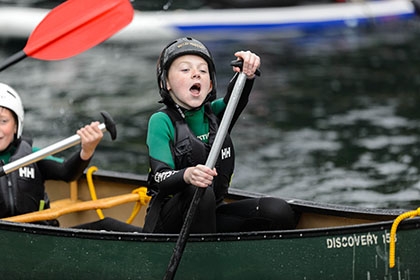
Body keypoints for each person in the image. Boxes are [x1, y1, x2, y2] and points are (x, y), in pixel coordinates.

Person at [143, 37, 299, 233]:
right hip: (169, 225)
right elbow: (160, 177)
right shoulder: (161, 121)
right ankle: (204, 258)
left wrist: (247, 73)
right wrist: (188, 175)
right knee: (199, 192)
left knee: (277, 211)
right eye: (185, 69)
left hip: (210, 215)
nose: (196, 75)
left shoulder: (217, 115)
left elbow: (238, 96)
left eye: (202, 70)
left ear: (209, 85)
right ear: (167, 83)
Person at [0, 82, 103, 225]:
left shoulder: (31, 155)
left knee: (106, 225)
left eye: (3, 121)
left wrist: (87, 150)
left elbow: (67, 172)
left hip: (35, 236)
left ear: (16, 125)